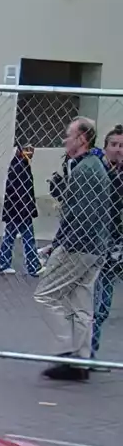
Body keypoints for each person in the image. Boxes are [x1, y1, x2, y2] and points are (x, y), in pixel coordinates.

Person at [35, 116, 114, 380]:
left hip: (79, 247)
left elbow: (80, 215)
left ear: (81, 139)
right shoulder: (92, 165)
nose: (64, 139)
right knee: (81, 305)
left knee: (45, 295)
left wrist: (61, 245)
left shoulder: (85, 170)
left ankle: (66, 351)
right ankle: (81, 359)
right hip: (94, 246)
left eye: (69, 135)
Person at [90, 124, 123, 362]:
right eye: (114, 145)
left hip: (119, 244)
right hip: (102, 247)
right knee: (99, 304)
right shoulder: (99, 172)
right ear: (105, 147)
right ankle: (87, 353)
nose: (118, 150)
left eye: (122, 146)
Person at [0, 144, 42, 277]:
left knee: (11, 236)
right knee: (28, 238)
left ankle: (3, 263)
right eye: (28, 150)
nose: (31, 153)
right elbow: (22, 191)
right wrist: (28, 209)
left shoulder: (19, 164)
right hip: (20, 210)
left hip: (16, 209)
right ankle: (33, 266)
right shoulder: (20, 166)